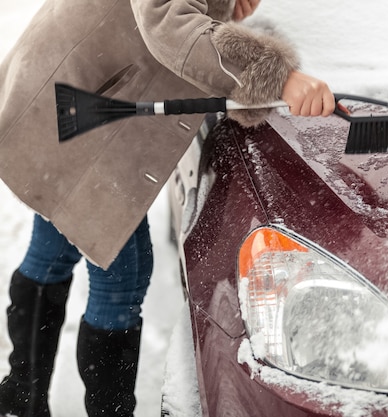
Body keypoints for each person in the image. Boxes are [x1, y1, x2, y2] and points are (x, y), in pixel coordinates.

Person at [0, 0, 335, 416]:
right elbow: (166, 20)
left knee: (54, 246)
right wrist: (275, 75)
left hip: (78, 91)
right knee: (123, 273)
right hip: (86, 99)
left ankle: (20, 397)